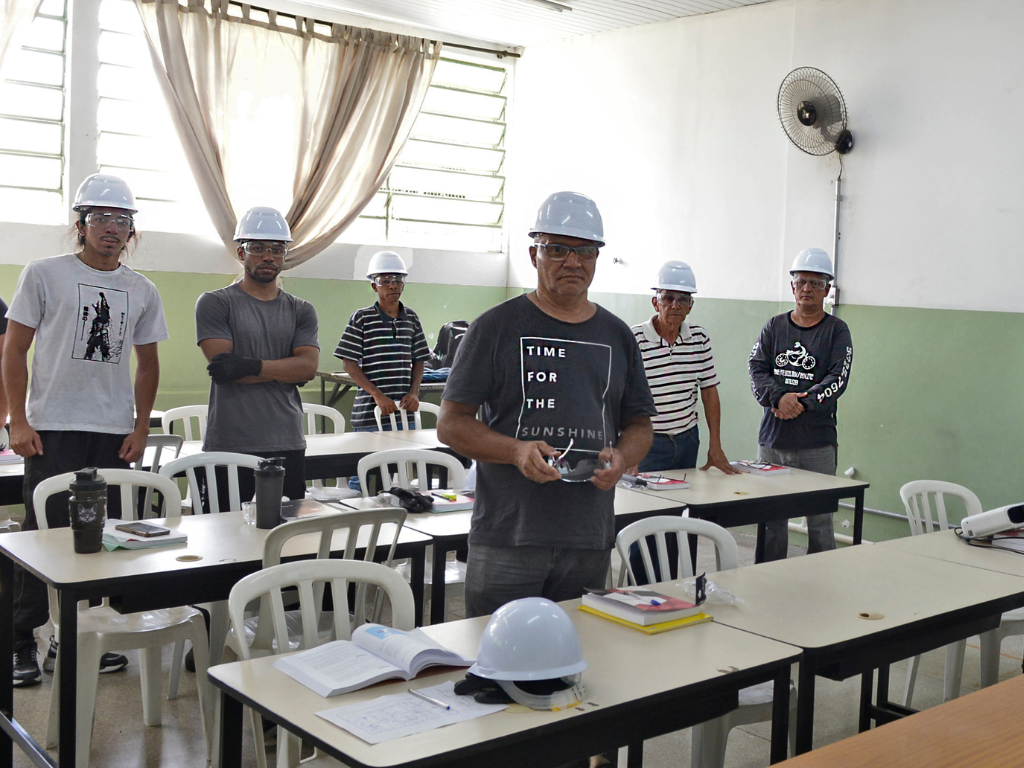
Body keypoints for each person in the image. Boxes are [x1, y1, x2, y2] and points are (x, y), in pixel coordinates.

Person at [437, 191, 656, 621]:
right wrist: (515, 450)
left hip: (588, 535)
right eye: (557, 249)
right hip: (509, 534)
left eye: (585, 251)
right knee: (496, 665)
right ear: (534, 253)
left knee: (575, 664)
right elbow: (451, 424)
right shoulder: (495, 328)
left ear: (596, 257)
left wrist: (624, 457)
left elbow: (640, 425)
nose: (572, 262)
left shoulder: (616, 335)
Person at [5, 173, 168, 686]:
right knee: (41, 538)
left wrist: (141, 429)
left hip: (112, 432)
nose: (112, 229)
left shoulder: (142, 289)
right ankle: (18, 643)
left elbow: (148, 365)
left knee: (103, 540)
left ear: (132, 231)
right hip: (51, 428)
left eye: (122, 220)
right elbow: (13, 348)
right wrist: (19, 419)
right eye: (101, 218)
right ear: (81, 224)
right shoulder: (44, 273)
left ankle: (76, 637)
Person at [195, 207, 319, 509]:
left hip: (286, 441)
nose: (268, 257)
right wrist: (285, 369)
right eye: (258, 248)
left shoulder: (302, 310)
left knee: (285, 540)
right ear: (241, 252)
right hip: (230, 444)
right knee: (224, 542)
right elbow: (224, 368)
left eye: (277, 250)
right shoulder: (215, 303)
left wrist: (249, 366)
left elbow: (308, 367)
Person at [627, 260, 738, 583]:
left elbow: (709, 392)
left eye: (683, 299)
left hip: (687, 441)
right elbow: (620, 398)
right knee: (645, 524)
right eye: (668, 298)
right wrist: (628, 450)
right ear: (655, 301)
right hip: (650, 445)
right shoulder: (634, 339)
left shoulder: (699, 338)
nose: (675, 305)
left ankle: (680, 587)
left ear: (691, 305)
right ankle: (642, 593)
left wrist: (714, 445)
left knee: (684, 520)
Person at [748, 247, 853, 560]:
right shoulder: (774, 326)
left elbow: (838, 379)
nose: (807, 288)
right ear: (792, 287)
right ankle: (766, 578)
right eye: (802, 282)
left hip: (817, 444)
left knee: (819, 521)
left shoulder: (837, 331)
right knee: (770, 519)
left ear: (827, 290)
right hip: (772, 441)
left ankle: (821, 583)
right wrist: (779, 397)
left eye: (816, 283)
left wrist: (801, 403)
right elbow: (756, 369)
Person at [335, 251, 431, 489]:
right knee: (364, 472)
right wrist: (377, 395)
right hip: (369, 412)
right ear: (373, 286)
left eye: (398, 280)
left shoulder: (412, 319)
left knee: (397, 471)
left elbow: (420, 359)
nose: (393, 286)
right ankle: (360, 514)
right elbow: (348, 363)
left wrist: (415, 392)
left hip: (402, 412)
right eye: (385, 280)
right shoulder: (362, 318)